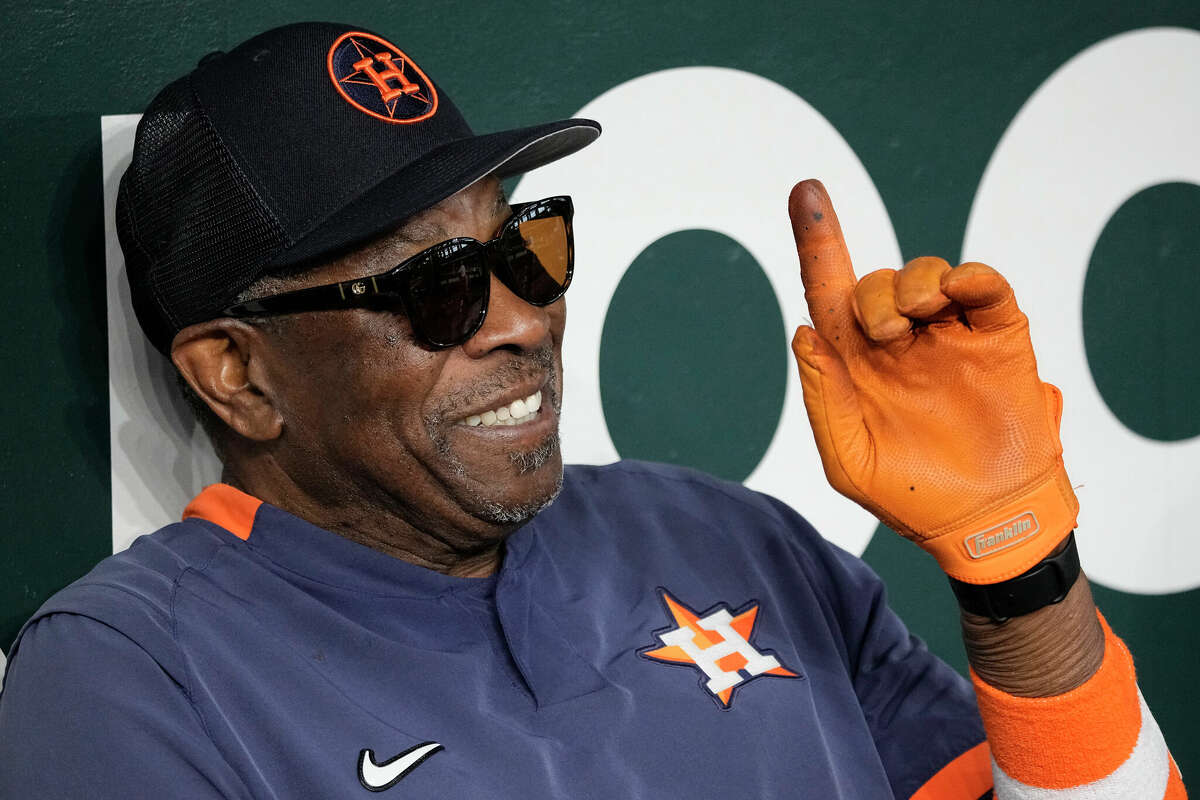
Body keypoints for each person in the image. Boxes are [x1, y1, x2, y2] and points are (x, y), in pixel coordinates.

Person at [0, 21, 1185, 799]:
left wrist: (1016, 563)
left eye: (524, 246)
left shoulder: (730, 535)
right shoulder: (126, 674)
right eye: (437, 287)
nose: (521, 316)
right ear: (237, 374)